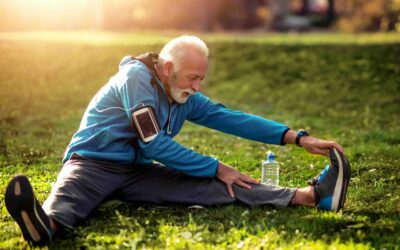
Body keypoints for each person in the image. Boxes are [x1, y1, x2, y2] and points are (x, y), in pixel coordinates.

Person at [5, 35, 351, 246]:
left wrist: (297, 138)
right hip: (92, 162)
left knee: (226, 185)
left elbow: (232, 118)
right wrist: (216, 166)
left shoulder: (183, 94)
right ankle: (43, 225)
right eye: (193, 77)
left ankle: (311, 198)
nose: (197, 86)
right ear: (168, 67)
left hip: (139, 171)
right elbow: (154, 143)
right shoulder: (135, 79)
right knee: (69, 198)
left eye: (202, 78)